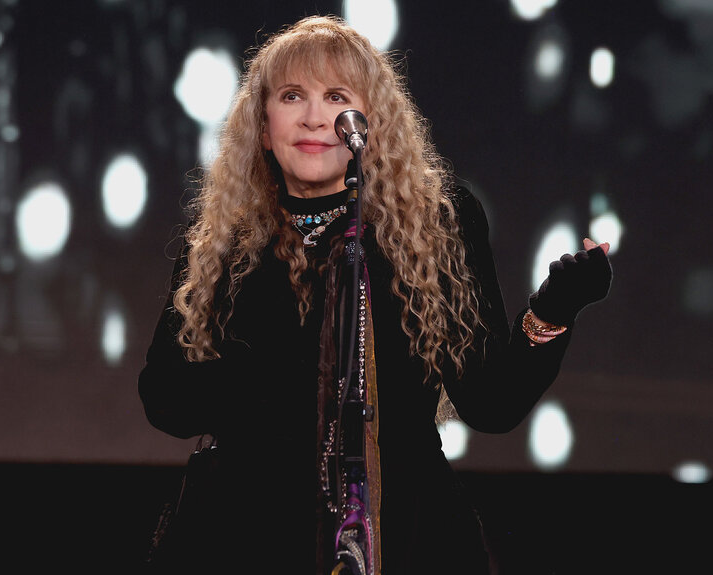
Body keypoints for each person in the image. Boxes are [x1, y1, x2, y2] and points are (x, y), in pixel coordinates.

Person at [138, 14, 611, 575]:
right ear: (263, 126)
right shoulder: (227, 243)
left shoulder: (436, 224)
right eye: (292, 96)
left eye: (336, 95)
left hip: (405, 535)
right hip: (246, 534)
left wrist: (553, 310)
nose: (315, 117)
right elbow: (166, 399)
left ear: (373, 123)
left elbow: (491, 402)